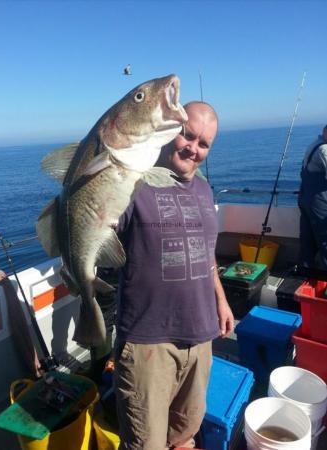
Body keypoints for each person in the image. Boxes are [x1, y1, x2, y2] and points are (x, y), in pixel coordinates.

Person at [114, 101, 234, 449]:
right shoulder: (135, 181)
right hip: (147, 343)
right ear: (169, 131)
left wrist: (221, 301)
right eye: (187, 135)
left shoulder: (204, 190)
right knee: (146, 443)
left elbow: (205, 252)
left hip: (200, 337)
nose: (193, 149)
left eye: (204, 143)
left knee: (185, 436)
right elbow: (101, 225)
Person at [298, 124, 327, 270]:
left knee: (307, 237)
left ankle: (306, 269)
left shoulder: (314, 144)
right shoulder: (324, 149)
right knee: (325, 238)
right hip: (318, 201)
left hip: (305, 197)